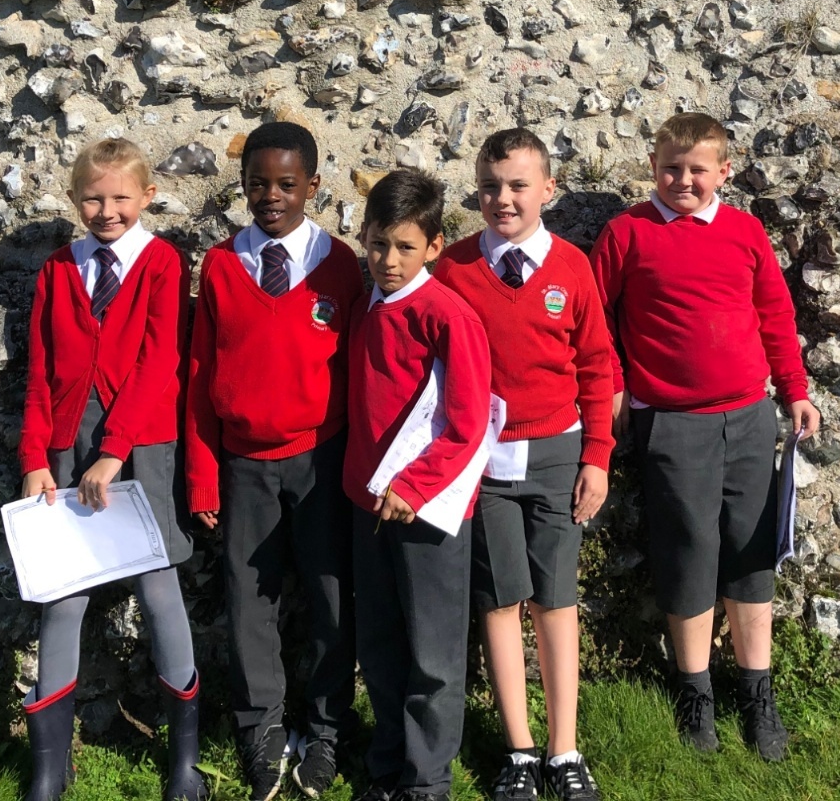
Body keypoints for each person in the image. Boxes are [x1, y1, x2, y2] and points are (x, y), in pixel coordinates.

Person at [588, 113, 821, 763]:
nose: (683, 180)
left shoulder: (745, 232)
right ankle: (695, 691)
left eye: (698, 170)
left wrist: (794, 389)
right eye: (671, 168)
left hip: (748, 416)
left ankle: (757, 692)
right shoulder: (628, 233)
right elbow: (593, 315)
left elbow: (774, 313)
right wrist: (614, 385)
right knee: (688, 551)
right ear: (653, 166)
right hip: (672, 421)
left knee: (750, 551)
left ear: (724, 171)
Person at [433, 129, 616, 801]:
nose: (502, 199)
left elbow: (596, 365)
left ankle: (565, 750)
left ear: (547, 190)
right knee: (499, 600)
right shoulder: (453, 269)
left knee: (555, 600)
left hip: (557, 456)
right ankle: (519, 749)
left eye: (517, 186)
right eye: (490, 186)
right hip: (482, 465)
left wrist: (597, 456)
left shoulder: (572, 268)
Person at [18, 137, 202, 801]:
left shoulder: (161, 264)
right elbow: (40, 372)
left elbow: (160, 363)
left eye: (121, 197)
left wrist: (115, 450)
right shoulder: (58, 270)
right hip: (66, 451)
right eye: (93, 199)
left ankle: (184, 762)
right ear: (75, 200)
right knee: (62, 598)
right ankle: (49, 770)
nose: (107, 210)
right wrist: (35, 459)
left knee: (158, 590)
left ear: (146, 196)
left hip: (140, 447)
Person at [186, 122, 364, 800]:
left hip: (323, 459)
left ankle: (325, 728)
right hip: (243, 465)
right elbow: (200, 376)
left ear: (311, 186)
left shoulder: (339, 265)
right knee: (248, 602)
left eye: (286, 184)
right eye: (257, 184)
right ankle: (260, 728)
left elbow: (363, 371)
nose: (270, 196)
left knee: (330, 596)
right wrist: (203, 474)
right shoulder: (222, 266)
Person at [343, 168, 493, 801]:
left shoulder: (448, 316)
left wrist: (416, 486)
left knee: (433, 652)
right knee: (379, 642)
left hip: (428, 509)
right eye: (378, 244)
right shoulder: (365, 307)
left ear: (434, 247)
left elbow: (468, 422)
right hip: (369, 504)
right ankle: (387, 764)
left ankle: (428, 779)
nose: (388, 260)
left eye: (405, 247)